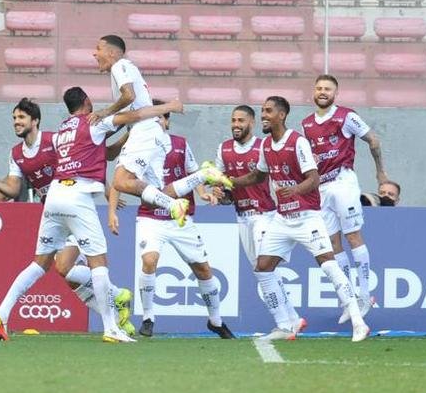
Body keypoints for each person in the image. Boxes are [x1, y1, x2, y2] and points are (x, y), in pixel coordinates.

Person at [0, 88, 181, 344]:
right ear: (88, 103)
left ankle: (2, 312)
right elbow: (134, 115)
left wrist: (125, 139)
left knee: (40, 264)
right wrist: (168, 106)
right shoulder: (94, 121)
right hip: (78, 196)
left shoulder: (61, 132)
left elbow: (101, 153)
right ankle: (111, 327)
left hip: (54, 196)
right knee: (98, 263)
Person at [227, 96, 370, 342]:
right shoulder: (266, 146)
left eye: (268, 111)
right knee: (262, 268)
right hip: (282, 220)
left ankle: (359, 322)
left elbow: (314, 179)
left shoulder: (298, 142)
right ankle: (286, 324)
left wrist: (295, 190)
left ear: (281, 115)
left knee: (328, 264)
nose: (264, 116)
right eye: (262, 111)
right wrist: (227, 181)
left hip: (307, 218)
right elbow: (256, 177)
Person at [110, 102, 234, 339]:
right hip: (151, 217)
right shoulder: (139, 145)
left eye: (160, 119)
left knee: (203, 269)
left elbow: (189, 170)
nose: (156, 123)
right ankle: (148, 318)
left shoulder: (179, 144)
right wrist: (111, 212)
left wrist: (202, 193)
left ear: (167, 121)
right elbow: (120, 180)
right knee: (149, 261)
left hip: (181, 218)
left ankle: (216, 321)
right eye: (152, 119)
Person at [89, 34, 231, 224]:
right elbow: (128, 112)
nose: (94, 53)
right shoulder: (128, 69)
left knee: (121, 181)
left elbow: (129, 96)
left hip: (144, 131)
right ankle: (202, 175)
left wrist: (105, 112)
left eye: (98, 49)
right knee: (154, 199)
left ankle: (178, 202)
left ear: (112, 52)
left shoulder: (119, 65)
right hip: (150, 132)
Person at [301, 74, 388, 323]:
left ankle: (364, 294)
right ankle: (349, 299)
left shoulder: (346, 116)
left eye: (328, 89)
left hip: (343, 181)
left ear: (335, 93)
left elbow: (372, 138)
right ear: (313, 92)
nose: (323, 92)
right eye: (319, 88)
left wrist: (380, 171)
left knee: (352, 236)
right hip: (322, 187)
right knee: (332, 243)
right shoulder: (306, 124)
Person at [213, 105, 304, 338]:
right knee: (263, 272)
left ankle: (284, 324)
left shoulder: (263, 146)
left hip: (265, 215)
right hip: (242, 217)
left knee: (264, 270)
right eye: (233, 120)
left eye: (241, 120)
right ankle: (293, 319)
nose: (236, 124)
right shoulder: (223, 149)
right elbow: (222, 186)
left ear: (251, 123)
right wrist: (217, 193)